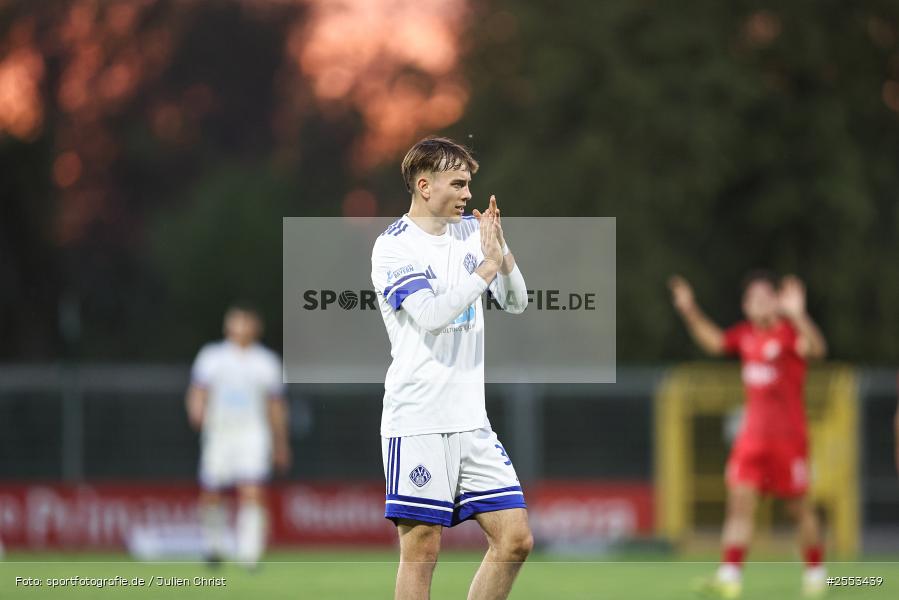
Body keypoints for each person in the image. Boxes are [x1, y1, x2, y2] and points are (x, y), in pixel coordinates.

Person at [371, 137, 532, 600]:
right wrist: (484, 267)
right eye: (458, 184)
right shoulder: (393, 248)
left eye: (469, 184)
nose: (467, 194)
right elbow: (432, 316)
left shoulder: (470, 234)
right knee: (422, 551)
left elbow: (517, 302)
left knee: (515, 539)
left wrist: (499, 250)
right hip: (418, 418)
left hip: (471, 422)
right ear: (425, 185)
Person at [669, 272, 828, 599]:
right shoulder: (745, 336)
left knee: (798, 509)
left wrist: (798, 315)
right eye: (752, 298)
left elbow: (817, 349)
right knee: (740, 505)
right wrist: (689, 309)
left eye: (765, 296)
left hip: (789, 439)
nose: (759, 302)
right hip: (752, 439)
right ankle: (730, 576)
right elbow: (714, 341)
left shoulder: (789, 334)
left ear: (775, 301)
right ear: (745, 306)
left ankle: (816, 573)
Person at [185, 304, 290, 568]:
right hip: (220, 431)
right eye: (236, 322)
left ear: (255, 328)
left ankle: (250, 553)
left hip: (253, 433)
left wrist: (280, 443)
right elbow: (198, 390)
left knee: (252, 491)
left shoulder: (266, 362)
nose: (241, 327)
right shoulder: (211, 357)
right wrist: (196, 409)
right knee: (212, 491)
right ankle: (213, 547)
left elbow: (275, 406)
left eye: (246, 322)